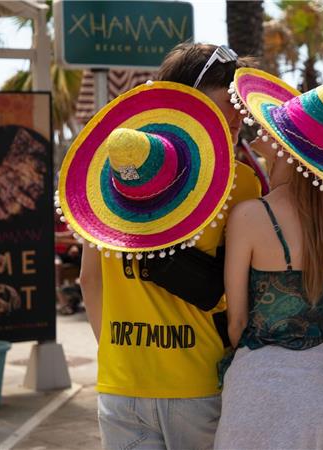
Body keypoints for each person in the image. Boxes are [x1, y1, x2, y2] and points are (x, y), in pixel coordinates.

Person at [70, 43, 262, 450]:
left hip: (120, 382)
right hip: (199, 381)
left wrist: (120, 356)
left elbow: (89, 279)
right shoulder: (241, 183)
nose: (229, 133)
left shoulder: (107, 179)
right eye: (220, 123)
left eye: (236, 126)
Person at [215, 70, 323, 448]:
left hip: (259, 391)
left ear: (287, 149)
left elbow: (237, 323)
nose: (261, 132)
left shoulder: (250, 217)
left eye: (274, 128)